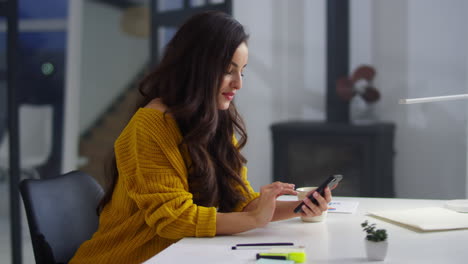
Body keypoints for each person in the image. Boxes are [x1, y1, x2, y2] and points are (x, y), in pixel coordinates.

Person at [70, 11, 332, 264]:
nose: (239, 84)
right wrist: (254, 220)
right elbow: (174, 219)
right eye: (228, 70)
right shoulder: (151, 124)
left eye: (243, 71)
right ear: (196, 67)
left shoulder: (213, 119)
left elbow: (239, 202)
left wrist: (300, 206)